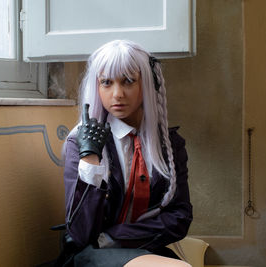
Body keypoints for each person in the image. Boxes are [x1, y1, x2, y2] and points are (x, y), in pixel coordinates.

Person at [60, 40, 192, 267]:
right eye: (106, 82)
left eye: (128, 81)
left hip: (139, 249)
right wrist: (91, 160)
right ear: (97, 86)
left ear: (147, 85)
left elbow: (179, 217)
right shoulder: (80, 143)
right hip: (90, 256)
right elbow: (81, 233)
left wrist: (114, 237)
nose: (117, 94)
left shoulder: (170, 145)